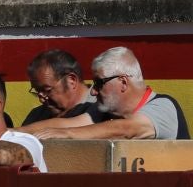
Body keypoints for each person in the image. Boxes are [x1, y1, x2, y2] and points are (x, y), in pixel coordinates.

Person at [24, 46, 188, 140]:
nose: (93, 91)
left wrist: (66, 135)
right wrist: (14, 132)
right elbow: (67, 123)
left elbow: (127, 129)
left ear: (123, 82)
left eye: (99, 83)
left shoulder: (162, 106)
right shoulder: (103, 111)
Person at [22, 48, 112, 125]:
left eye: (47, 90)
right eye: (37, 92)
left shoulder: (104, 109)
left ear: (71, 81)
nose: (41, 99)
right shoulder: (36, 115)